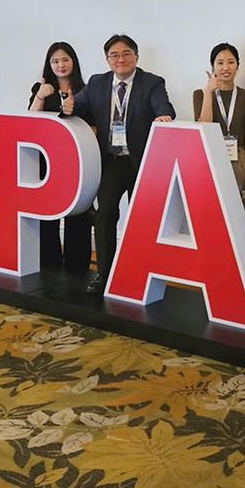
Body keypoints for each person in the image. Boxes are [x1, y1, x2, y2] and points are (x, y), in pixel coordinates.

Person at [62, 34, 175, 293]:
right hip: (111, 161)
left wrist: (163, 116)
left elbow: (164, 106)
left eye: (126, 54)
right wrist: (69, 106)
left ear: (136, 56)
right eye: (114, 55)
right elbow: (79, 106)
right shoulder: (97, 83)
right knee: (105, 214)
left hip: (140, 162)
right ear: (107, 59)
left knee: (143, 218)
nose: (120, 59)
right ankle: (105, 274)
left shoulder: (152, 82)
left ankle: (142, 273)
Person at [28, 42, 93, 274]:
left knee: (80, 212)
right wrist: (40, 96)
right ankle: (49, 263)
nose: (60, 65)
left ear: (73, 61)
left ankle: (78, 265)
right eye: (55, 61)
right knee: (47, 212)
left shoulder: (86, 89)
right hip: (47, 160)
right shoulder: (41, 88)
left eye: (65, 59)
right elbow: (30, 121)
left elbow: (93, 124)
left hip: (77, 160)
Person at [193, 43, 245, 232]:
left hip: (239, 159)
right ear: (213, 66)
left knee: (241, 215)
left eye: (230, 62)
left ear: (238, 65)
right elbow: (204, 126)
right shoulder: (200, 94)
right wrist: (209, 93)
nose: (225, 67)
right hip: (212, 159)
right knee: (213, 214)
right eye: (220, 62)